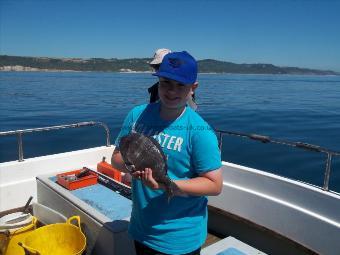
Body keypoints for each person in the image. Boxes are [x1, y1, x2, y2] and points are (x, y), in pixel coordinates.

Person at [111, 51, 222, 255]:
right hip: (141, 227)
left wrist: (164, 185)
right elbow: (116, 158)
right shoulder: (137, 115)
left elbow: (214, 185)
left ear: (193, 88)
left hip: (179, 238)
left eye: (180, 85)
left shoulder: (200, 131)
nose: (172, 91)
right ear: (158, 82)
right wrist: (133, 167)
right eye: (166, 83)